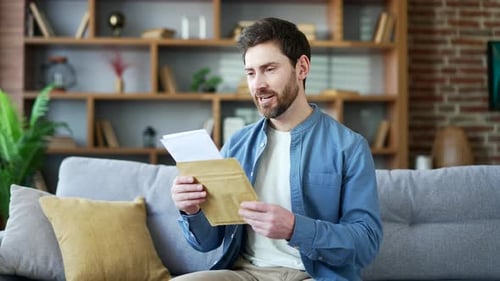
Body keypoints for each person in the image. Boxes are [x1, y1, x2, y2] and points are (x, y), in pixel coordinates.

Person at [170, 17, 383, 281]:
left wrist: (295, 228)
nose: (258, 84)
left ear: (302, 68)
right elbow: (208, 242)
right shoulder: (237, 144)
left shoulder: (349, 147)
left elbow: (366, 244)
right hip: (245, 273)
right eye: (251, 72)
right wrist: (192, 211)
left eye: (269, 69)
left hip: (313, 275)